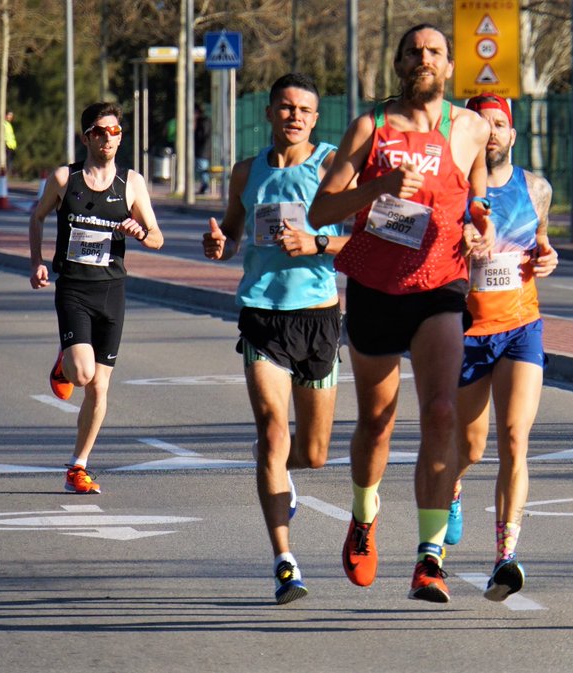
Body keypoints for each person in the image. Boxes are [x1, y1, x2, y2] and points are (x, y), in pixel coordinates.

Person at [308, 23, 493, 604]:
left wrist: (479, 228)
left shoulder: (471, 127)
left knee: (440, 412)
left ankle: (429, 558)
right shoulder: (371, 127)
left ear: (449, 65)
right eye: (414, 52)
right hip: (375, 286)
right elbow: (319, 211)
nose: (424, 59)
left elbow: (478, 199)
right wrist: (378, 186)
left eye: (434, 52)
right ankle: (364, 515)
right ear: (398, 64)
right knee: (377, 421)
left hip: (440, 286)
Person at [201, 73, 346, 605]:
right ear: (269, 113)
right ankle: (285, 562)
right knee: (271, 432)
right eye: (286, 107)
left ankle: (280, 472)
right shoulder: (247, 171)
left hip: (318, 317)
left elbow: (366, 238)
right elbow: (232, 231)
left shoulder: (331, 166)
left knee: (313, 453)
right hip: (262, 315)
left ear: (316, 118)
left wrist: (317, 243)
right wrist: (219, 243)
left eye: (305, 110)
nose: (295, 117)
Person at [446, 93, 557, 602]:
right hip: (467, 331)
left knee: (515, 438)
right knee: (470, 448)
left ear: (512, 134)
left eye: (499, 124)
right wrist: (461, 249)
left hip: (520, 326)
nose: (491, 132)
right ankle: (452, 486)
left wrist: (547, 257)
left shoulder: (536, 188)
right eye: (481, 123)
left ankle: (505, 559)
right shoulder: (451, 189)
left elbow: (540, 244)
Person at [28, 102, 164, 494]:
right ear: (86, 137)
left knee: (99, 388)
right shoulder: (64, 178)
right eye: (101, 132)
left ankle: (78, 466)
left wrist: (140, 233)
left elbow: (157, 237)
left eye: (115, 131)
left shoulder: (131, 183)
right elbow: (37, 217)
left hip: (112, 291)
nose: (108, 138)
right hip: (73, 288)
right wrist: (37, 263)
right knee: (83, 374)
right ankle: (66, 362)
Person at [195, 104, 211, 195]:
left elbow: (202, 135)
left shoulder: (204, 121)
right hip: (201, 151)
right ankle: (204, 186)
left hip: (203, 151)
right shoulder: (202, 121)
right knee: (201, 169)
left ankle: (205, 187)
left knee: (203, 169)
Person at [3, 110, 18, 177]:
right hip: (7, 145)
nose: (10, 117)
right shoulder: (4, 124)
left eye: (11, 116)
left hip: (12, 145)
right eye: (9, 115)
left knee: (11, 160)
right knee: (7, 160)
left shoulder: (9, 124)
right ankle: (7, 173)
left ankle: (10, 173)